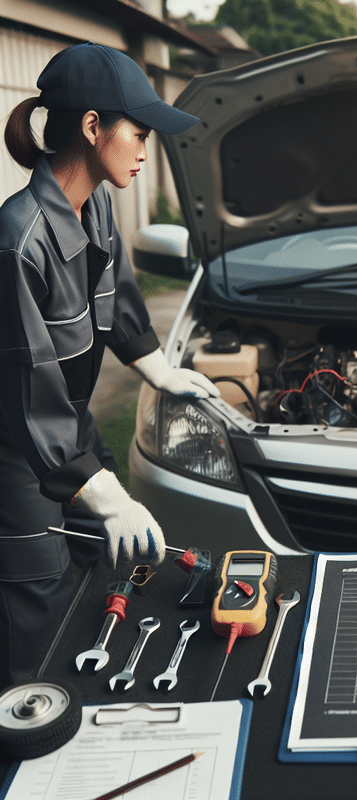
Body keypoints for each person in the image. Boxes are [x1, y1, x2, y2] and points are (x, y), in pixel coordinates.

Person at [0, 42, 219, 688]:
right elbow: (28, 388)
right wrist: (107, 495)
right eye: (140, 133)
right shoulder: (17, 241)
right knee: (37, 606)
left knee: (95, 582)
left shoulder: (95, 204)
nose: (147, 150)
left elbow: (119, 301)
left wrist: (160, 370)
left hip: (68, 430)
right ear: (93, 128)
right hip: (16, 456)